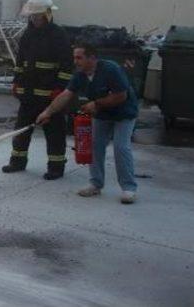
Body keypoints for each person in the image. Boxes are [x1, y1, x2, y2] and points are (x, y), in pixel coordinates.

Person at [37, 42, 139, 204]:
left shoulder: (111, 69)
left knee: (121, 147)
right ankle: (96, 184)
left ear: (92, 58)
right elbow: (65, 95)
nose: (75, 61)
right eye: (74, 57)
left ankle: (129, 188)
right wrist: (47, 112)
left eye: (79, 57)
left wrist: (96, 104)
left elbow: (121, 96)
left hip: (124, 113)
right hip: (102, 115)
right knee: (95, 146)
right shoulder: (80, 75)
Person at [2, 0, 74, 180]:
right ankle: (17, 161)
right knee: (21, 130)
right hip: (28, 95)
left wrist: (60, 88)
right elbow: (20, 61)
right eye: (32, 16)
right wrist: (16, 81)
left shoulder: (59, 35)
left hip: (51, 96)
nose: (34, 19)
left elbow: (67, 65)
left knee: (55, 133)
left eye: (37, 16)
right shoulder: (28, 34)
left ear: (48, 14)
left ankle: (56, 166)